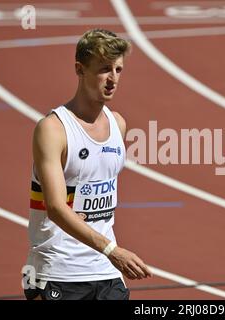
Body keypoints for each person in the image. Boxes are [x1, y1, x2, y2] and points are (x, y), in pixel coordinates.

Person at [23, 29, 152, 300]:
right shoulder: (53, 129)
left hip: (105, 272)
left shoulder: (118, 124)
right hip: (57, 271)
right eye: (104, 69)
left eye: (118, 69)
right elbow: (56, 208)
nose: (113, 79)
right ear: (79, 69)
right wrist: (113, 251)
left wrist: (109, 254)